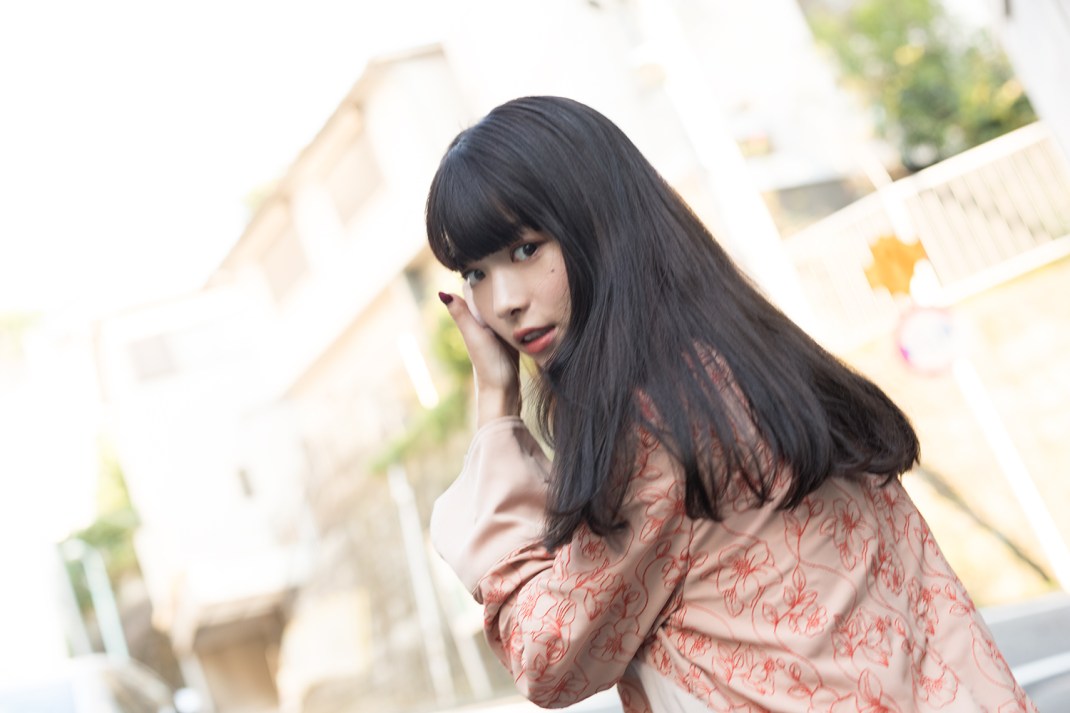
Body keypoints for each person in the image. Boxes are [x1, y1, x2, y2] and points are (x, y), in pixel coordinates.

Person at [424, 96, 1035, 712]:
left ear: (599, 227)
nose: (503, 302)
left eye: (526, 249)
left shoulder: (654, 426)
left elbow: (548, 658)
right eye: (475, 273)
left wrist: (496, 410)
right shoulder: (753, 362)